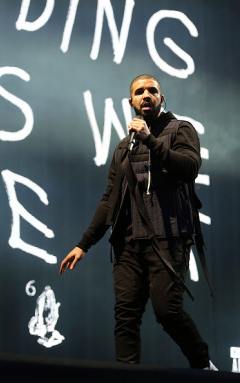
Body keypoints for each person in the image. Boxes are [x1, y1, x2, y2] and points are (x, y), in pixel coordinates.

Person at [60, 74, 217, 370]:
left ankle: (203, 364)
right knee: (126, 316)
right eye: (139, 92)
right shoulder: (123, 148)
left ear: (161, 97)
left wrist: (150, 140)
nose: (146, 95)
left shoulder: (180, 129)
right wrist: (84, 244)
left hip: (167, 239)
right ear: (130, 101)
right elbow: (110, 199)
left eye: (152, 90)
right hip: (128, 244)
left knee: (167, 311)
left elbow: (189, 168)